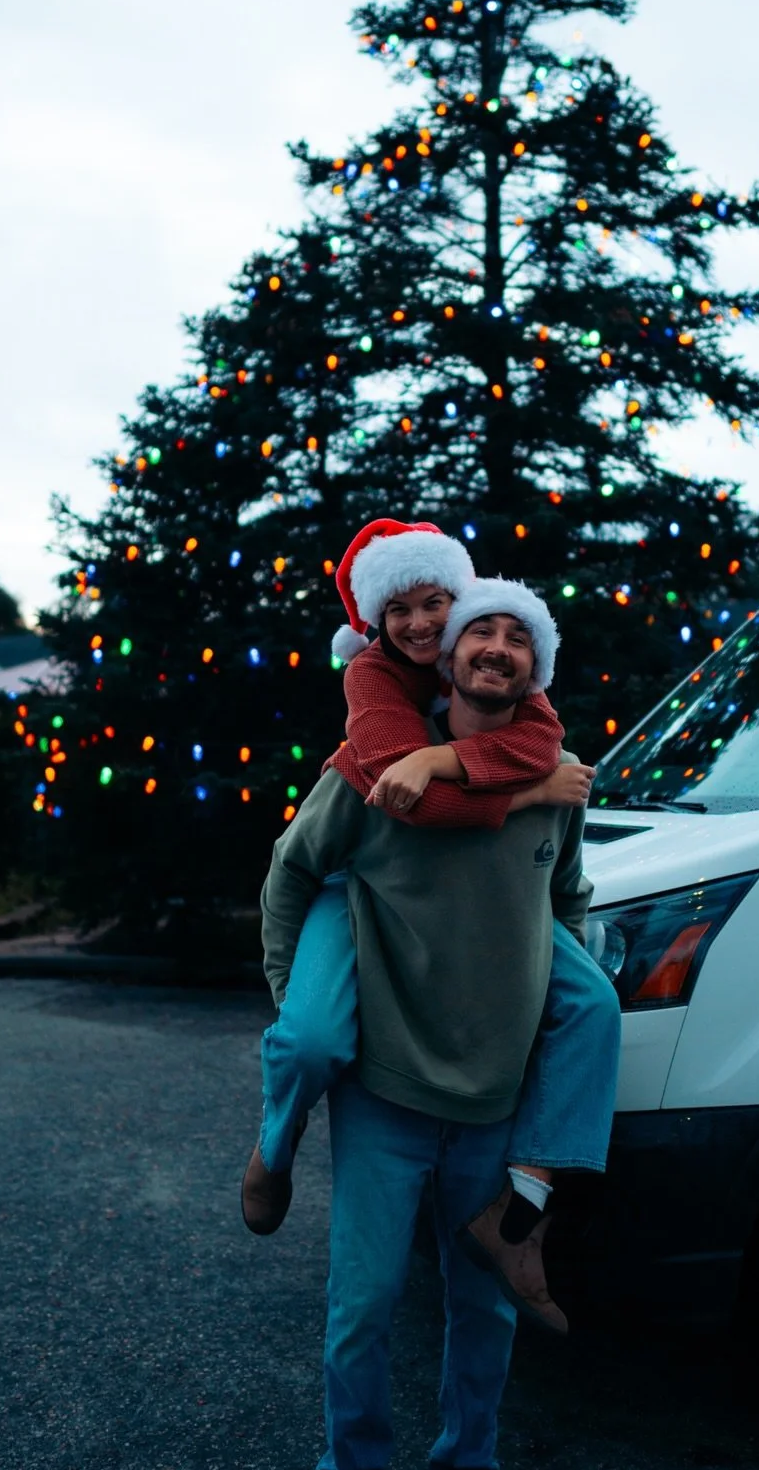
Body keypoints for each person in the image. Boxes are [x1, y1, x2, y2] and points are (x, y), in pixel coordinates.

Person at [259, 578, 603, 1470]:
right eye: (477, 635)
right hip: (389, 1096)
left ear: (533, 671)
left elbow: (567, 904)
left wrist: (549, 1034)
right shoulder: (373, 779)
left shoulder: (558, 785)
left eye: (517, 640)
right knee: (362, 1310)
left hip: (493, 1099)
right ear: (444, 659)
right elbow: (288, 874)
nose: (496, 649)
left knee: (483, 1309)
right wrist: (298, 1010)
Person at [241, 520, 619, 1333]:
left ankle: (526, 1206)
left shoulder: (504, 667)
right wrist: (511, 788)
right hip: (361, 878)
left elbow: (540, 743)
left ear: (459, 610)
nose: (417, 623)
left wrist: (446, 756)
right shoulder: (374, 680)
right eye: (399, 609)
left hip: (489, 893)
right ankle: (276, 1144)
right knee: (310, 1037)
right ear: (376, 622)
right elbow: (416, 808)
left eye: (435, 604)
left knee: (594, 1004)